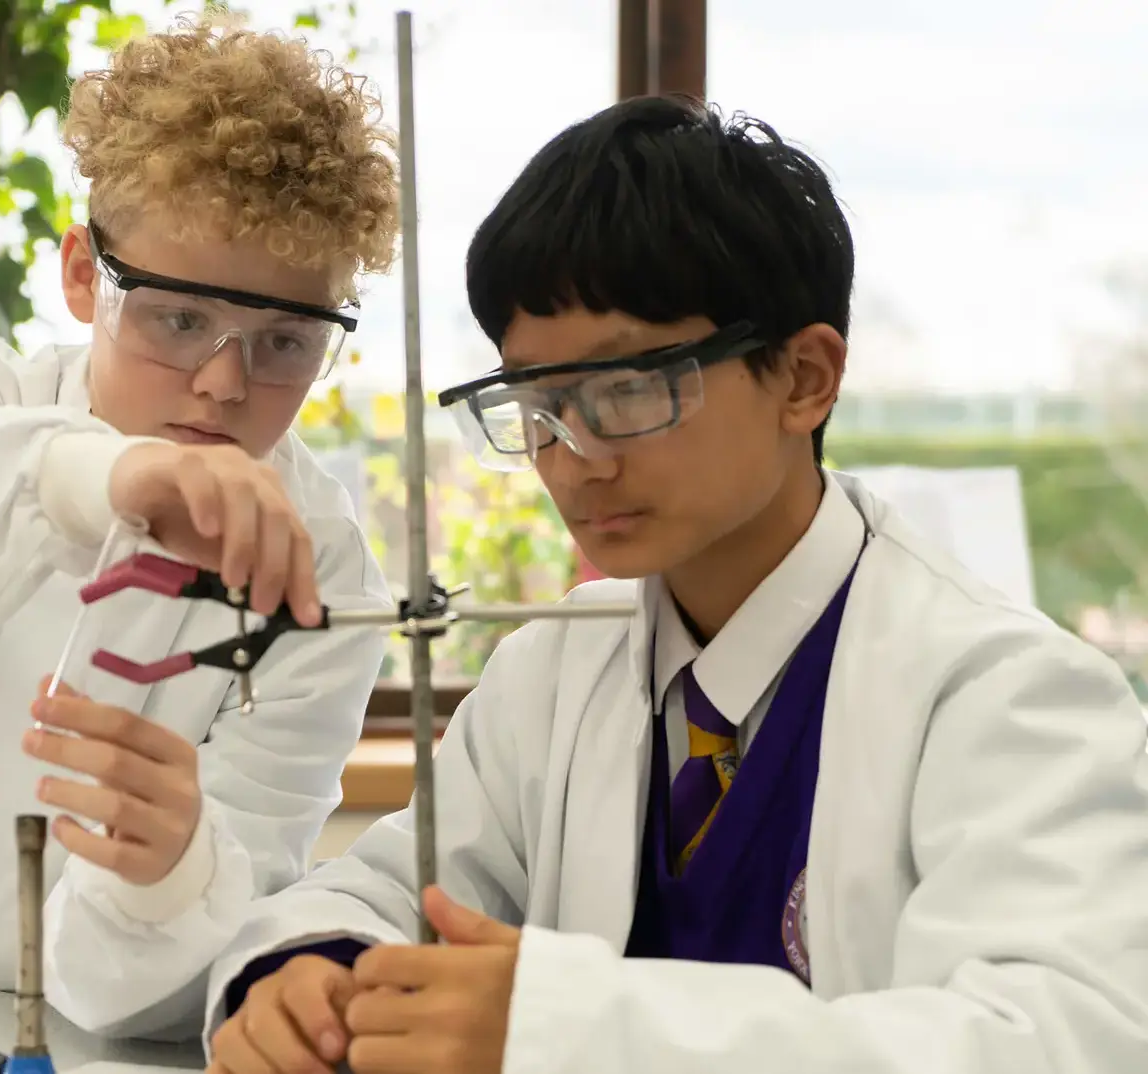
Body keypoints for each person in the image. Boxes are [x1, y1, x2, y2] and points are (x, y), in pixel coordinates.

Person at [201, 96, 1148, 1074]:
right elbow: (386, 889)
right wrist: (304, 971)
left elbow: (1058, 1041)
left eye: (628, 388)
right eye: (538, 403)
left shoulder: (1006, 694)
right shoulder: (558, 669)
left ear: (804, 378)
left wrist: (568, 1032)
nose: (575, 457)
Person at [0, 16, 401, 1039]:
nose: (224, 384)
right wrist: (77, 477)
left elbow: (211, 940)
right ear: (85, 274)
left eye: (284, 340)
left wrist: (172, 875)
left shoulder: (319, 565)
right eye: (179, 319)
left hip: (94, 1047)